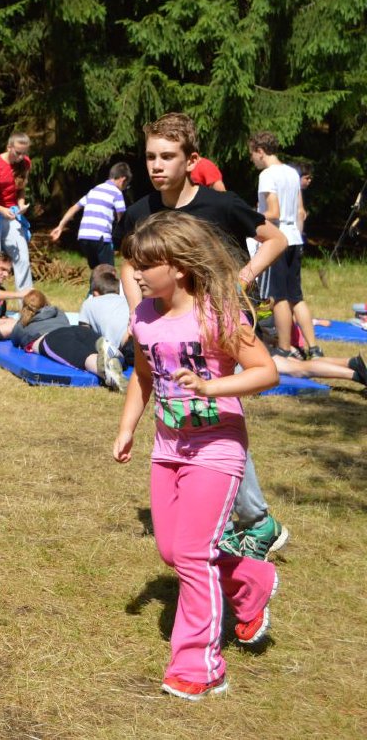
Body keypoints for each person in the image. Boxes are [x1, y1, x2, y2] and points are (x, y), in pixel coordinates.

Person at [114, 210, 280, 701]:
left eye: (146, 265)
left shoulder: (217, 314)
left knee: (190, 554)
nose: (137, 275)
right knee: (173, 551)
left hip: (217, 447)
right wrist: (127, 428)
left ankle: (199, 667)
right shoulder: (144, 317)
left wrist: (211, 386)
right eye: (134, 265)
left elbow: (266, 371)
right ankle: (251, 579)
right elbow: (143, 375)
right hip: (168, 448)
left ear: (180, 267)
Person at [113, 112, 290, 563]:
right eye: (150, 156)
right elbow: (129, 265)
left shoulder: (221, 205)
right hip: (166, 324)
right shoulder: (140, 212)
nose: (157, 165)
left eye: (167, 156)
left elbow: (275, 240)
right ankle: (234, 520)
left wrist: (241, 280)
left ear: (191, 160)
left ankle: (252, 519)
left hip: (217, 325)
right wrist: (137, 311)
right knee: (189, 413)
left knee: (213, 417)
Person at [248, 131, 322, 359]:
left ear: (260, 151)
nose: (252, 159)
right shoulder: (292, 173)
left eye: (252, 154)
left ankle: (284, 348)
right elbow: (301, 211)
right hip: (294, 239)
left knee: (278, 297)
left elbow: (273, 212)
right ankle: (313, 347)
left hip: (277, 240)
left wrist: (249, 216)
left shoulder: (267, 175)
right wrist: (298, 237)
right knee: (296, 297)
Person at [9, 290, 128, 391]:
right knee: (97, 344)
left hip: (52, 338)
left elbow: (14, 339)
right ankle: (116, 355)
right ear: (45, 302)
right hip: (76, 330)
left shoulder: (22, 324)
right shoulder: (57, 312)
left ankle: (106, 371)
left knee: (84, 356)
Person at [50, 163, 131, 269]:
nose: (124, 188)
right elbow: (122, 217)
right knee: (108, 272)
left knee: (96, 271)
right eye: (126, 185)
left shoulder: (94, 190)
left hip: (84, 236)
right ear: (122, 179)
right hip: (100, 237)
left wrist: (60, 227)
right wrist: (124, 237)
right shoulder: (117, 193)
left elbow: (74, 208)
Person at [0, 132, 34, 291]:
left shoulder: (25, 163)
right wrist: (0, 209)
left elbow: (21, 189)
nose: (21, 157)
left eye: (24, 153)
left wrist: (21, 204)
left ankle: (27, 300)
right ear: (9, 147)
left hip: (12, 215)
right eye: (18, 153)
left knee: (23, 258)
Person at [78, 264, 134, 364]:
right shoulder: (125, 300)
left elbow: (83, 333)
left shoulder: (89, 303)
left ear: (95, 293)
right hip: (140, 336)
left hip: (127, 345)